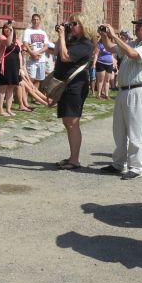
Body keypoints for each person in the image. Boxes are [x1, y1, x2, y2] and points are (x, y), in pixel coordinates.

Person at [98, 16, 142, 180]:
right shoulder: (133, 43)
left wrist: (116, 35)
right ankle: (119, 163)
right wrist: (105, 35)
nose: (137, 28)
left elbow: (133, 55)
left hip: (138, 90)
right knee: (119, 129)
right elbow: (111, 48)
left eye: (140, 26)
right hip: (124, 90)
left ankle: (136, 167)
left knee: (135, 130)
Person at [54, 14, 94, 170]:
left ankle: (75, 159)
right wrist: (61, 36)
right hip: (66, 85)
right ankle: (72, 157)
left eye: (74, 23)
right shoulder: (72, 40)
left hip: (76, 86)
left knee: (72, 122)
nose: (71, 26)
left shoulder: (86, 44)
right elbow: (57, 51)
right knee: (67, 121)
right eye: (70, 23)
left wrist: (63, 36)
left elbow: (65, 57)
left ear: (83, 25)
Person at [0, 21, 21, 117]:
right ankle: (0, 110)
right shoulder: (1, 37)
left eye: (9, 28)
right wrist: (11, 32)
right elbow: (8, 43)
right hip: (4, 66)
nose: (7, 29)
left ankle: (8, 109)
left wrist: (21, 67)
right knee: (3, 88)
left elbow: (19, 55)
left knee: (11, 88)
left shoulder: (17, 41)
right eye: (5, 28)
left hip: (14, 67)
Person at [22, 13, 49, 96]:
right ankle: (25, 96)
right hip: (32, 59)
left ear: (40, 21)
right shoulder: (28, 31)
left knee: (38, 79)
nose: (36, 21)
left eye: (37, 19)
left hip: (41, 59)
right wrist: (32, 53)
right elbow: (25, 43)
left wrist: (37, 52)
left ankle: (35, 97)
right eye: (34, 19)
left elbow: (46, 46)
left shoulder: (43, 33)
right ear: (31, 21)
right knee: (30, 78)